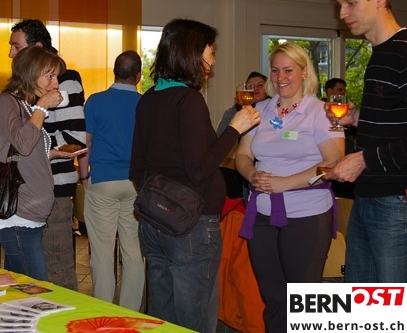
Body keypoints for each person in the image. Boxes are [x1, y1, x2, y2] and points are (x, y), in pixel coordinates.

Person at [129, 18, 260, 332]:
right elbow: (199, 168)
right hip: (191, 226)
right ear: (192, 52)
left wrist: (161, 205)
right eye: (211, 51)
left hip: (154, 222)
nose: (213, 61)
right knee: (195, 321)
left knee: (161, 319)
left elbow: (137, 168)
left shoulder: (148, 99)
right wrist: (234, 129)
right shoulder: (189, 100)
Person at [235, 42, 344, 333]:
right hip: (262, 216)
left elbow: (333, 162)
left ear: (304, 72)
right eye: (275, 70)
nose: (280, 77)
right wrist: (251, 174)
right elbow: (242, 155)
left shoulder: (321, 112)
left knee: (303, 301)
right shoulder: (260, 110)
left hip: (306, 216)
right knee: (273, 298)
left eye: (288, 70)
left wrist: (284, 183)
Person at [323, 0, 407, 284]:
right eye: (340, 5)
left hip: (395, 202)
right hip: (368, 196)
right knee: (364, 303)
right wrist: (356, 118)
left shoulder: (403, 52)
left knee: (393, 305)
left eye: (351, 3)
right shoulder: (380, 54)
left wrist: (363, 159)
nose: (342, 14)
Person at [9, 19, 86, 290]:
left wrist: (34, 147)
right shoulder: (21, 87)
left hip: (54, 190)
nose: (10, 53)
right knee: (27, 272)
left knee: (57, 268)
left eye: (16, 47)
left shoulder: (66, 81)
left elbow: (75, 138)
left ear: (38, 48)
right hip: (25, 190)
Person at [0, 45, 64, 280]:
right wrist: (42, 106)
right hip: (17, 215)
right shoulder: (6, 102)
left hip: (29, 215)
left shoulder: (24, 105)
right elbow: (23, 143)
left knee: (19, 287)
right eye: (49, 76)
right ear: (31, 74)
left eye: (56, 77)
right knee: (37, 287)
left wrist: (53, 154)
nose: (55, 83)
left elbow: (25, 153)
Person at [81, 51, 145, 311]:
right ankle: (130, 314)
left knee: (102, 252)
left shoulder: (95, 102)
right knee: (133, 252)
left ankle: (104, 312)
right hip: (135, 184)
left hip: (103, 181)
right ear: (138, 76)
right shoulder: (145, 104)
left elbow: (85, 145)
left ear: (114, 72)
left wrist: (84, 176)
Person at [216, 71, 269, 135]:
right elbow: (221, 135)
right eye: (251, 86)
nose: (255, 88)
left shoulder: (275, 107)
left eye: (260, 85)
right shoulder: (235, 110)